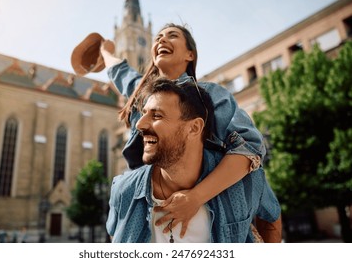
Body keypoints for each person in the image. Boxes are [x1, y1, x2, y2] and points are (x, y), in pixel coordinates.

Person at [100, 23, 277, 237]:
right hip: (148, 203)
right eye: (158, 37)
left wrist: (195, 197)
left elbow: (250, 147)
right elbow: (122, 73)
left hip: (212, 204)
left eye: (172, 36)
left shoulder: (209, 96)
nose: (161, 40)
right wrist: (105, 53)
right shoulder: (144, 94)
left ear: (190, 54)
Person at [106, 79, 281, 242]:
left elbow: (271, 219)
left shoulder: (246, 181)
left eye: (157, 115)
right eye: (143, 114)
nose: (139, 125)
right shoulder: (123, 190)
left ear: (194, 127)